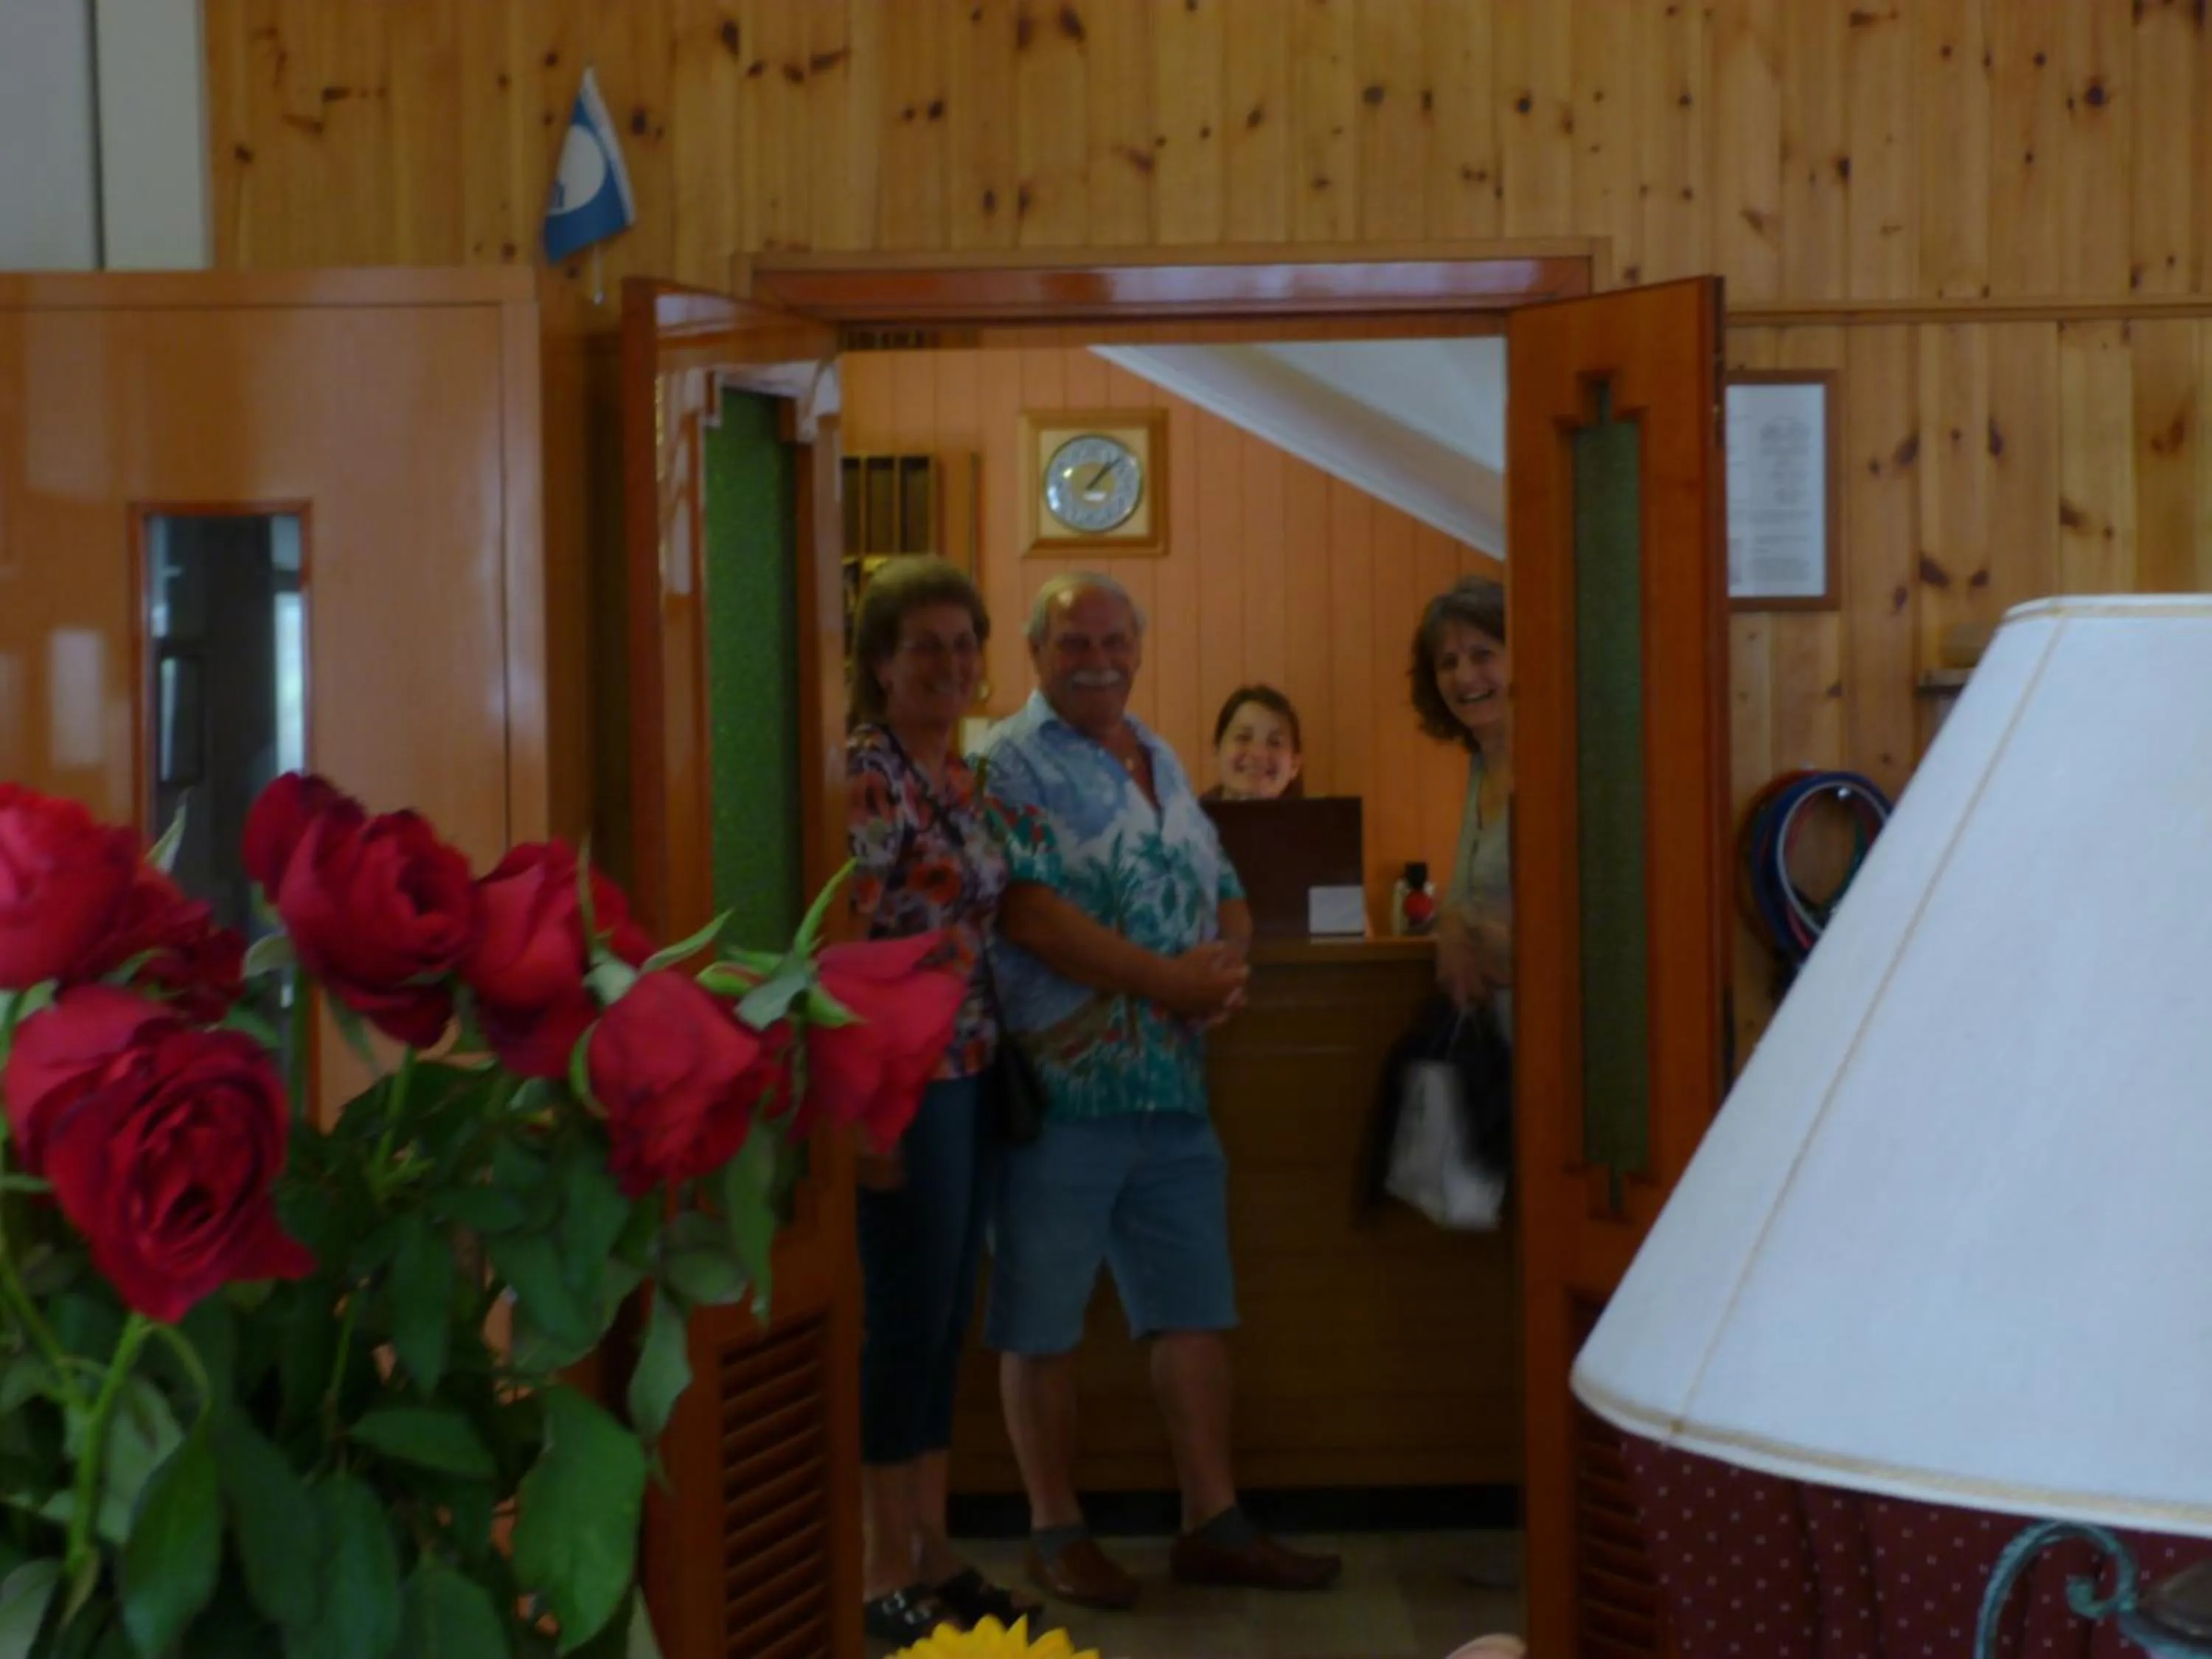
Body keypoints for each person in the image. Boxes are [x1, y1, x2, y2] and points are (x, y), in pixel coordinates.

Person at [977, 571, 1343, 1612]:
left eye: (1111, 638)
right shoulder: (1008, 759)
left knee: (1194, 1312)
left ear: (1138, 644)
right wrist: (1169, 982)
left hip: (1173, 1088)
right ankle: (1055, 1529)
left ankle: (1212, 1521)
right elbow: (1033, 917)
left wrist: (1223, 969)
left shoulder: (1165, 752)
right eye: (1071, 641)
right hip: (1062, 1091)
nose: (1095, 657)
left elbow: (1224, 885)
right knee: (1039, 1320)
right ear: (1036, 652)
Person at [844, 557, 1041, 1645]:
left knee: (945, 1320)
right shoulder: (868, 776)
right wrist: (865, 1114)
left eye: (966, 645)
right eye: (926, 646)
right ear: (879, 662)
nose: (952, 665)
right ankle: (880, 1565)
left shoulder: (955, 777)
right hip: (899, 1087)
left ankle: (933, 1546)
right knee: (902, 1322)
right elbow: (840, 947)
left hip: (969, 1072)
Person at [1411, 577, 1514, 1030]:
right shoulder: (1479, 767)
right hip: (1493, 1032)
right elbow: (1463, 899)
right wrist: (1451, 926)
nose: (1465, 676)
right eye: (1448, 663)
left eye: (1483, 655)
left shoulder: (1561, 767)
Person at [1204, 684, 1305, 801]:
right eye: (1243, 738)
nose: (1258, 753)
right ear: (1217, 750)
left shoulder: (1319, 819)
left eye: (1274, 742)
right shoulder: (1186, 819)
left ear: (1295, 764)